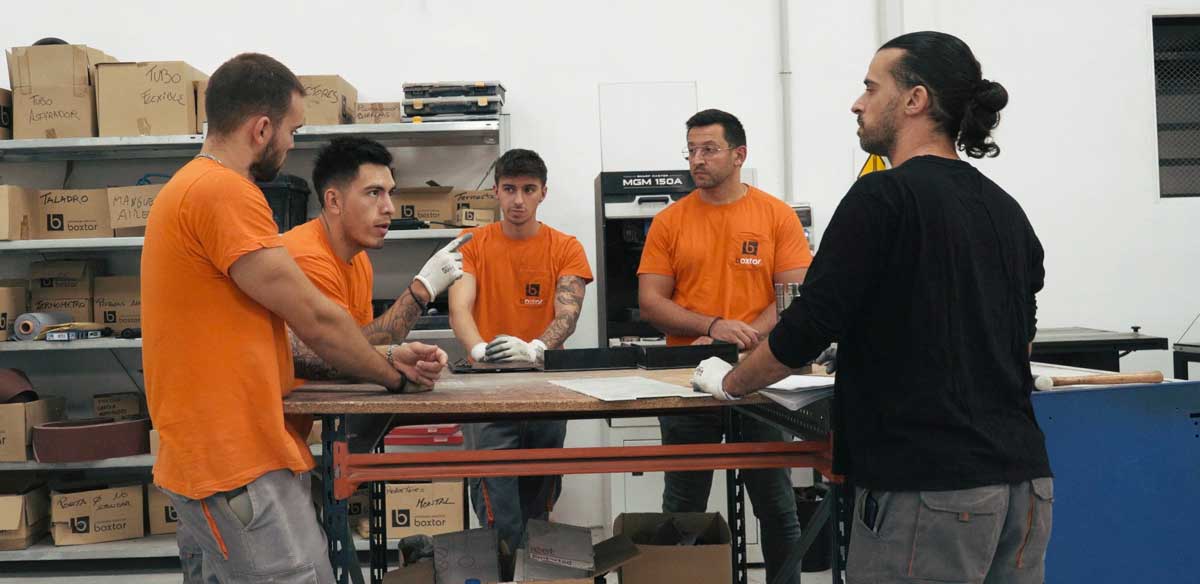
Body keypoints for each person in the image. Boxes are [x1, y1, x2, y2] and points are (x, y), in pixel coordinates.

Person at [691, 32, 1053, 584]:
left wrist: (729, 384)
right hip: (1025, 490)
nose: (857, 103)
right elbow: (1014, 342)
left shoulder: (881, 196)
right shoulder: (1005, 209)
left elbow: (806, 327)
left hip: (929, 489)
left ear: (915, 100)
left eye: (870, 87)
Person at [143, 53, 437, 584]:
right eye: (292, 130)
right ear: (261, 129)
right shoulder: (224, 191)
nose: (292, 144)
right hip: (234, 457)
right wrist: (393, 376)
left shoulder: (190, 187)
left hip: (219, 452)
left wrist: (388, 353)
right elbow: (316, 320)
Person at [637, 108, 812, 584]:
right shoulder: (670, 221)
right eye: (691, 150)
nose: (697, 159)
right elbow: (651, 301)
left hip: (760, 379)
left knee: (776, 506)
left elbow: (793, 295)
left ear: (739, 155)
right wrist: (713, 326)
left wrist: (745, 337)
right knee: (683, 508)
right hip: (690, 381)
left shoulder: (775, 216)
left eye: (709, 149)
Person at [448, 148, 593, 567]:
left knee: (540, 504)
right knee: (498, 511)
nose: (518, 200)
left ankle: (535, 574)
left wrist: (536, 349)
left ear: (543, 193)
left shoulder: (565, 247)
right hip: (487, 394)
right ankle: (506, 572)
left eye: (528, 189)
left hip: (546, 391)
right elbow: (459, 308)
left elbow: (568, 313)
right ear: (495, 191)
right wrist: (479, 350)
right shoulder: (472, 244)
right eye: (509, 189)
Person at [281, 136, 466, 452]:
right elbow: (336, 354)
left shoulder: (359, 260)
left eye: (390, 193)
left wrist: (402, 355)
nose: (389, 208)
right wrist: (421, 290)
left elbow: (363, 346)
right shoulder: (306, 256)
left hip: (315, 423)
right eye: (373, 193)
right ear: (334, 201)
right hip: (286, 430)